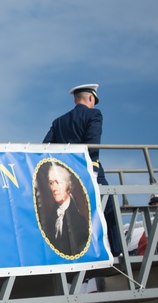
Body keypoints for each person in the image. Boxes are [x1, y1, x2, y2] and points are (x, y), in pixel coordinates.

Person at [43, 83, 122, 257]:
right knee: (109, 207)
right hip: (86, 169)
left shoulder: (59, 122)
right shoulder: (94, 114)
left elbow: (45, 147)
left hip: (65, 173)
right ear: (91, 98)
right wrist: (93, 167)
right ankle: (116, 251)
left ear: (75, 99)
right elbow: (92, 141)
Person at [38, 161, 90, 257]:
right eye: (51, 183)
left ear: (68, 187)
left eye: (58, 182)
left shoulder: (79, 221)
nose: (54, 188)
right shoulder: (50, 219)